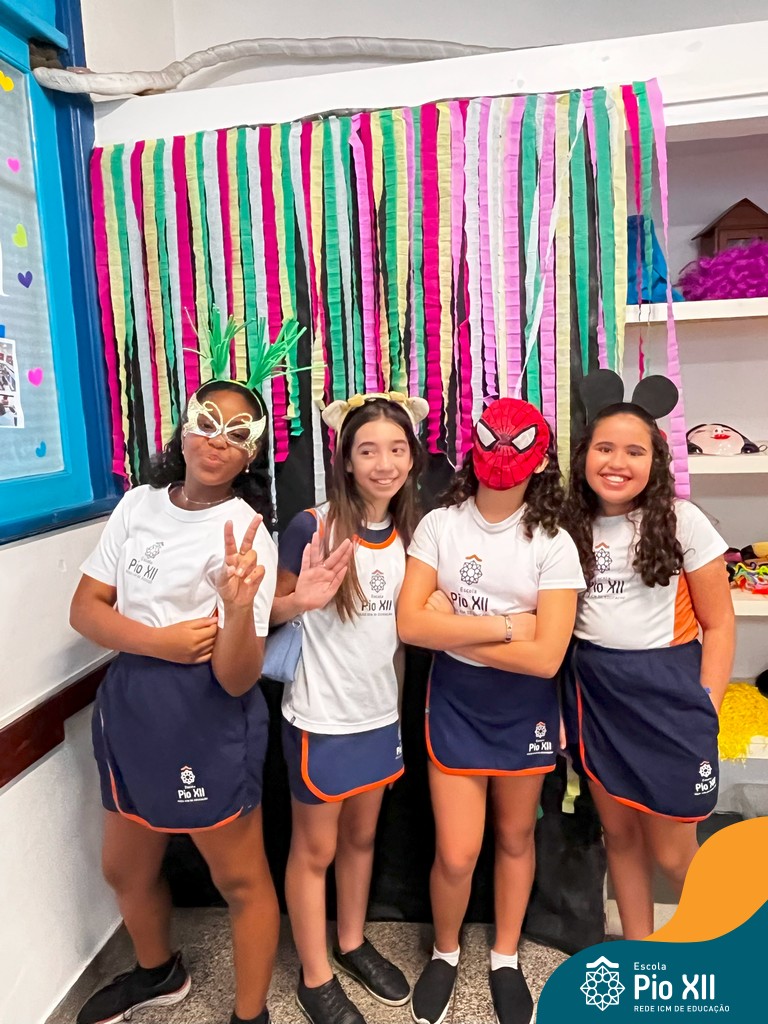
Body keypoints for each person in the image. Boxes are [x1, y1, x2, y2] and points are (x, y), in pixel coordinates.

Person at [70, 375, 280, 1024]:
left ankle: (251, 1014)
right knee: (123, 870)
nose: (218, 439)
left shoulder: (248, 534)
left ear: (251, 454)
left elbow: (239, 678)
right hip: (131, 708)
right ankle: (158, 971)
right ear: (185, 429)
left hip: (206, 717)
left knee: (241, 879)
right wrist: (158, 641)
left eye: (237, 432)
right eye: (207, 421)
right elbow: (85, 609)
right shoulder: (137, 506)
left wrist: (238, 610)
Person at [397, 398, 585, 1024]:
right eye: (492, 440)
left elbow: (547, 659)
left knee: (515, 835)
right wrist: (511, 626)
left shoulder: (554, 542)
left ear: (541, 459)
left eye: (517, 443)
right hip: (456, 701)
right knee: (456, 853)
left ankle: (505, 957)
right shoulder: (439, 526)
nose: (503, 456)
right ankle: (444, 952)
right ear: (473, 447)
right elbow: (410, 626)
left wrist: (453, 627)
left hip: (525, 706)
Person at [271, 391, 427, 1024]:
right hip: (320, 720)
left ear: (412, 458)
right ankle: (314, 978)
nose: (383, 464)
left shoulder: (414, 534)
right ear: (345, 459)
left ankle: (353, 941)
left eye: (396, 449)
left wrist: (396, 716)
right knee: (315, 852)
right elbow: (265, 615)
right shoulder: (312, 527)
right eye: (368, 451)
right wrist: (299, 601)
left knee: (362, 839)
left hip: (379, 719)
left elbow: (403, 638)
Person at [562, 369, 735, 940]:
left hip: (669, 700)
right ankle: (642, 956)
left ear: (655, 460)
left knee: (675, 856)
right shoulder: (568, 525)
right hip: (597, 698)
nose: (617, 462)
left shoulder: (683, 520)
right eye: (605, 448)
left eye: (634, 451)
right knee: (620, 838)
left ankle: (730, 948)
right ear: (585, 456)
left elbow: (719, 622)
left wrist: (706, 704)